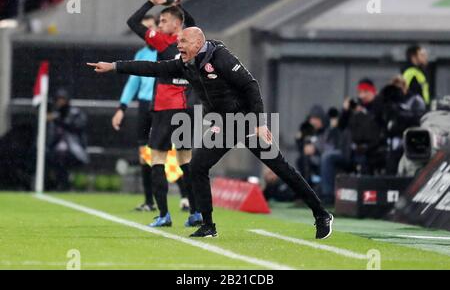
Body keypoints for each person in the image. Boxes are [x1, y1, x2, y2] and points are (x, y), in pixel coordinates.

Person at [88, 27, 333, 240]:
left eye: (183, 42)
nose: (178, 45)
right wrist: (114, 66)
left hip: (246, 120)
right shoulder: (185, 64)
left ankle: (322, 215)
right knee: (197, 167)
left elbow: (251, 86)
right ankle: (208, 225)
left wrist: (259, 121)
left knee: (281, 168)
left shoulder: (221, 57)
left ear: (197, 43)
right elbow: (153, 67)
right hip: (223, 124)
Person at [125, 0, 200, 227]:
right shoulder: (192, 43)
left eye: (164, 21)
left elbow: (132, 22)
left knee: (157, 159)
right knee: (185, 160)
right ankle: (196, 213)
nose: (159, 25)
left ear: (177, 25)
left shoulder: (163, 42)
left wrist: (150, 2)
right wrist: (178, 5)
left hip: (166, 106)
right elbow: (195, 24)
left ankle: (164, 214)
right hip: (186, 107)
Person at [113, 14, 190, 213]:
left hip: (165, 105)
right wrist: (121, 107)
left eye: (150, 26)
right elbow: (133, 82)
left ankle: (185, 197)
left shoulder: (167, 47)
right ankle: (150, 201)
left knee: (172, 155)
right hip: (147, 105)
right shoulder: (142, 53)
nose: (146, 31)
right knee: (146, 155)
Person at [46, 88, 89, 191]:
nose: (60, 102)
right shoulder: (53, 114)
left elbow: (77, 127)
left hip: (74, 149)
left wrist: (58, 120)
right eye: (58, 100)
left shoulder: (75, 113)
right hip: (53, 149)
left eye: (63, 99)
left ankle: (64, 184)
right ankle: (50, 184)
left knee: (62, 156)